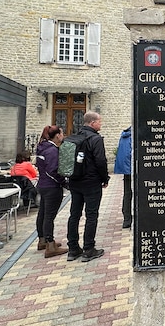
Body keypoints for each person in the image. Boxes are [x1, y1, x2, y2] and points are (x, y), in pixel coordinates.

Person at [66, 111, 109, 262]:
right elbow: (100, 161)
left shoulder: (74, 137)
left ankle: (72, 249)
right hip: (91, 182)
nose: (100, 124)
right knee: (91, 215)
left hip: (75, 181)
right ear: (92, 123)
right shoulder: (95, 139)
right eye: (99, 121)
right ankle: (88, 248)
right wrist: (105, 178)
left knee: (74, 214)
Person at [35, 125, 68, 258]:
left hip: (42, 185)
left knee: (42, 213)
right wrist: (63, 182)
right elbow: (53, 170)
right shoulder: (52, 150)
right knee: (49, 216)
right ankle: (50, 244)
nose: (63, 135)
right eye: (62, 133)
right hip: (51, 187)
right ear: (57, 135)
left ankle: (42, 239)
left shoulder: (42, 147)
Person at [113, 127, 133, 228]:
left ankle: (126, 218)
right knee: (133, 194)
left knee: (127, 194)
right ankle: (129, 218)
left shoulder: (124, 135)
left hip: (126, 170)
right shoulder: (133, 135)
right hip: (133, 169)